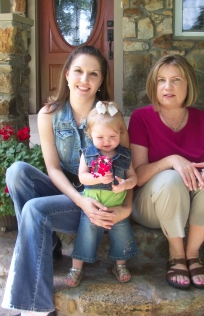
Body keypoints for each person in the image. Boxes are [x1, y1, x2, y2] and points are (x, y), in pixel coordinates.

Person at [1, 45, 132, 316]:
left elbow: (125, 166)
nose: (85, 80)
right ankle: (47, 246)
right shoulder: (48, 114)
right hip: (71, 194)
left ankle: (33, 305)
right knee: (17, 172)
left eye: (93, 74)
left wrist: (125, 208)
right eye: (79, 71)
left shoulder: (111, 117)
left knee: (34, 210)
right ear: (67, 74)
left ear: (101, 81)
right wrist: (79, 200)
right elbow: (53, 169)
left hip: (98, 200)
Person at [128, 54, 204, 290]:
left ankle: (192, 254)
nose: (167, 87)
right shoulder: (141, 118)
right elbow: (138, 177)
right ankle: (176, 254)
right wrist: (171, 160)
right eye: (161, 80)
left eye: (176, 80)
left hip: (190, 203)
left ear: (189, 85)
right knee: (171, 177)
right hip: (150, 205)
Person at [65, 101, 138, 287]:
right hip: (93, 207)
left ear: (121, 134)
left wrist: (125, 184)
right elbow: (82, 177)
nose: (107, 141)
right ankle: (76, 268)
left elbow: (134, 179)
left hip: (117, 207)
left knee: (121, 233)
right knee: (86, 233)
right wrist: (97, 177)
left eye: (112, 136)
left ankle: (120, 265)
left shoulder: (124, 156)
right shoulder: (88, 154)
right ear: (90, 135)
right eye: (100, 137)